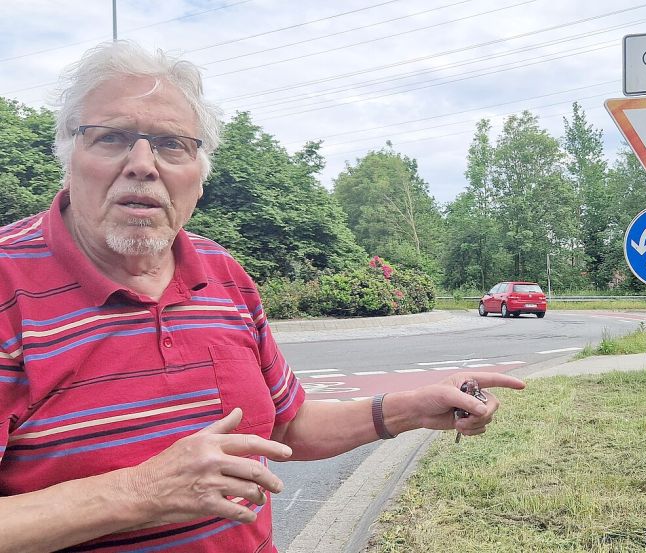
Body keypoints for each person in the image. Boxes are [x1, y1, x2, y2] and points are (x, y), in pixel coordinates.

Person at [0, 41, 525, 553]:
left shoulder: (223, 273)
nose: (143, 164)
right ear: (69, 156)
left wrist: (414, 407)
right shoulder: (8, 284)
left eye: (171, 144)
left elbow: (284, 425)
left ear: (199, 178)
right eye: (111, 137)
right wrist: (140, 493)